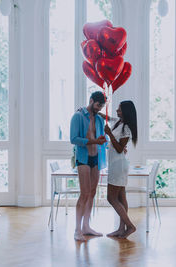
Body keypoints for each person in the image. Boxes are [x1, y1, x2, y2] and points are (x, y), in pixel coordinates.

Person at [70, 91, 107, 241]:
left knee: (92, 193)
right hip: (83, 159)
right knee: (84, 194)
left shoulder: (99, 119)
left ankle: (86, 226)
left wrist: (101, 141)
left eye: (102, 106)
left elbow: (100, 138)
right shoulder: (78, 116)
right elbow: (74, 139)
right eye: (98, 105)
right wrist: (93, 142)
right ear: (91, 100)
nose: (99, 108)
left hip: (96, 158)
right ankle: (77, 230)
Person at [103, 100, 138, 239]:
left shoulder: (127, 128)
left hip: (118, 165)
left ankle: (130, 226)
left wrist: (109, 134)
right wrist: (94, 111)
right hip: (115, 164)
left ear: (126, 112)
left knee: (111, 198)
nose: (117, 111)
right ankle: (121, 228)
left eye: (119, 110)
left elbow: (118, 149)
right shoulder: (118, 122)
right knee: (121, 197)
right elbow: (105, 117)